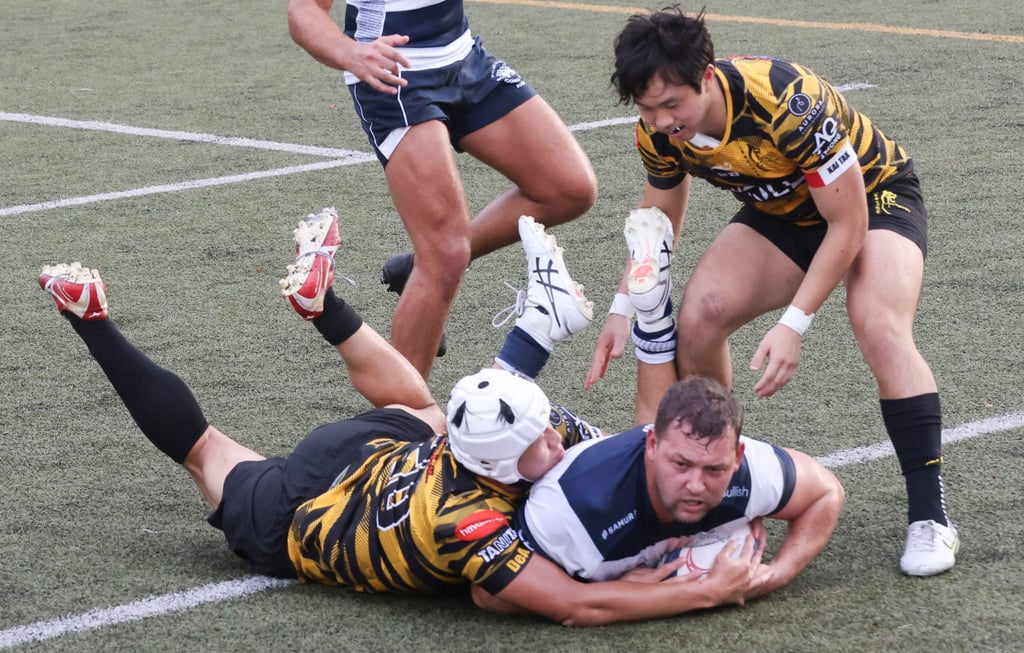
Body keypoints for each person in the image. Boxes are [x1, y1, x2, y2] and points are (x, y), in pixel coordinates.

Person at [37, 210, 763, 627]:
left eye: (549, 428)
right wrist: (696, 588)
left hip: (383, 455)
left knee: (423, 407)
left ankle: (337, 310)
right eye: (542, 439)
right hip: (306, 517)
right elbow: (574, 603)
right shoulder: (470, 524)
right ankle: (91, 319)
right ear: (500, 470)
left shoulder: (518, 442)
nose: (558, 436)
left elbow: (639, 448)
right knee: (204, 450)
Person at [585, 6, 958, 577]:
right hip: (786, 212)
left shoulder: (786, 99)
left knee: (879, 325)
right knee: (700, 318)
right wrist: (621, 306)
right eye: (646, 108)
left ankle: (930, 516)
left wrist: (794, 324)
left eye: (671, 104)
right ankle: (721, 485)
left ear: (707, 76)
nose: (660, 121)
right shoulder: (658, 133)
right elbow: (657, 217)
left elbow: (848, 224)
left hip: (873, 199)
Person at [286, 0, 598, 379]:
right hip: (395, 77)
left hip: (463, 58)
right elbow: (304, 11)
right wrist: (349, 53)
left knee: (569, 188)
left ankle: (420, 268)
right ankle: (403, 413)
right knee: (445, 250)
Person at [472, 375, 844, 616]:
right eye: (681, 464)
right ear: (652, 444)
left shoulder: (749, 471)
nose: (696, 484)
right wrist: (703, 593)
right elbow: (489, 593)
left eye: (714, 470)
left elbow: (826, 492)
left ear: (737, 457)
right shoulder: (572, 508)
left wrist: (776, 575)